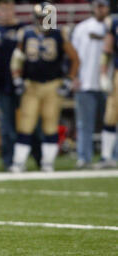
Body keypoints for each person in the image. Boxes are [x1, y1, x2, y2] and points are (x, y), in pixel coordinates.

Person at [9, 2, 80, 173]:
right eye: (41, 17)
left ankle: (48, 163)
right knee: (26, 124)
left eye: (46, 17)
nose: (43, 21)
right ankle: (19, 163)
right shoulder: (25, 34)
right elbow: (17, 58)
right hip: (31, 85)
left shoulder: (59, 34)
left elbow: (75, 59)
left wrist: (69, 80)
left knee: (50, 124)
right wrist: (17, 77)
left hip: (53, 84)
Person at [71, 0, 110, 169]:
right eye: (98, 6)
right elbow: (73, 55)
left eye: (103, 6)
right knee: (84, 124)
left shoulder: (113, 26)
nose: (101, 9)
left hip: (109, 84)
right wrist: (73, 77)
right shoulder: (82, 28)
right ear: (93, 8)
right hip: (86, 82)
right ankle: (84, 157)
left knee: (111, 123)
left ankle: (110, 157)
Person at [0, 0, 26, 170]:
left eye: (8, 9)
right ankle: (9, 161)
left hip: (24, 84)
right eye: (2, 10)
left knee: (30, 124)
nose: (5, 12)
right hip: (2, 85)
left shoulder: (24, 30)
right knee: (7, 126)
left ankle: (38, 159)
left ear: (14, 10)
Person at [96, 6, 118, 168]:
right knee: (111, 113)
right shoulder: (114, 22)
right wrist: (103, 74)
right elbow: (107, 50)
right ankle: (106, 156)